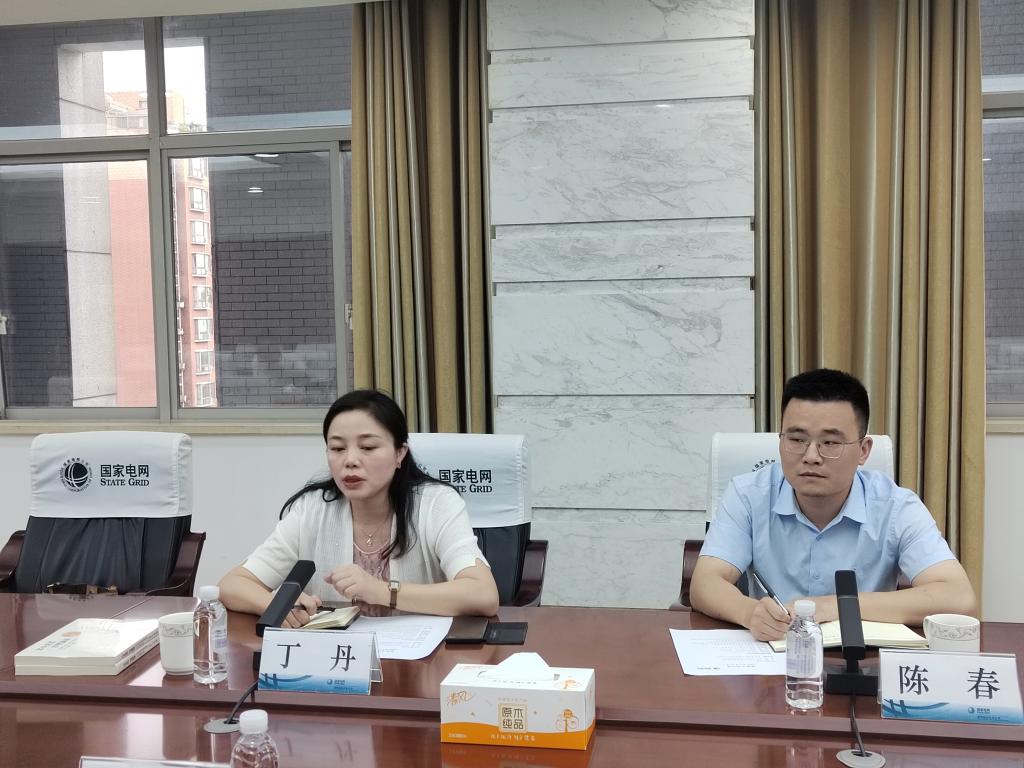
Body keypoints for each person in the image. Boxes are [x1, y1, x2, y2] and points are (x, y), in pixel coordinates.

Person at [690, 368, 976, 641]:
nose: (811, 456)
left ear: (863, 451)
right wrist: (750, 613)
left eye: (830, 443)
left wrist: (833, 606)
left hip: (861, 660)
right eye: (797, 439)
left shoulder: (897, 507)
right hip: (770, 653)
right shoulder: (748, 495)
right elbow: (705, 583)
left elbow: (958, 597)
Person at [219, 390, 500, 626]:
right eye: (337, 448)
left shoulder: (436, 504)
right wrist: (277, 605)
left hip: (423, 662)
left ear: (400, 453)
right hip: (336, 663)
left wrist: (382, 591)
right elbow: (232, 585)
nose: (350, 460)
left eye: (367, 447)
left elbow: (483, 595)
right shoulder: (313, 509)